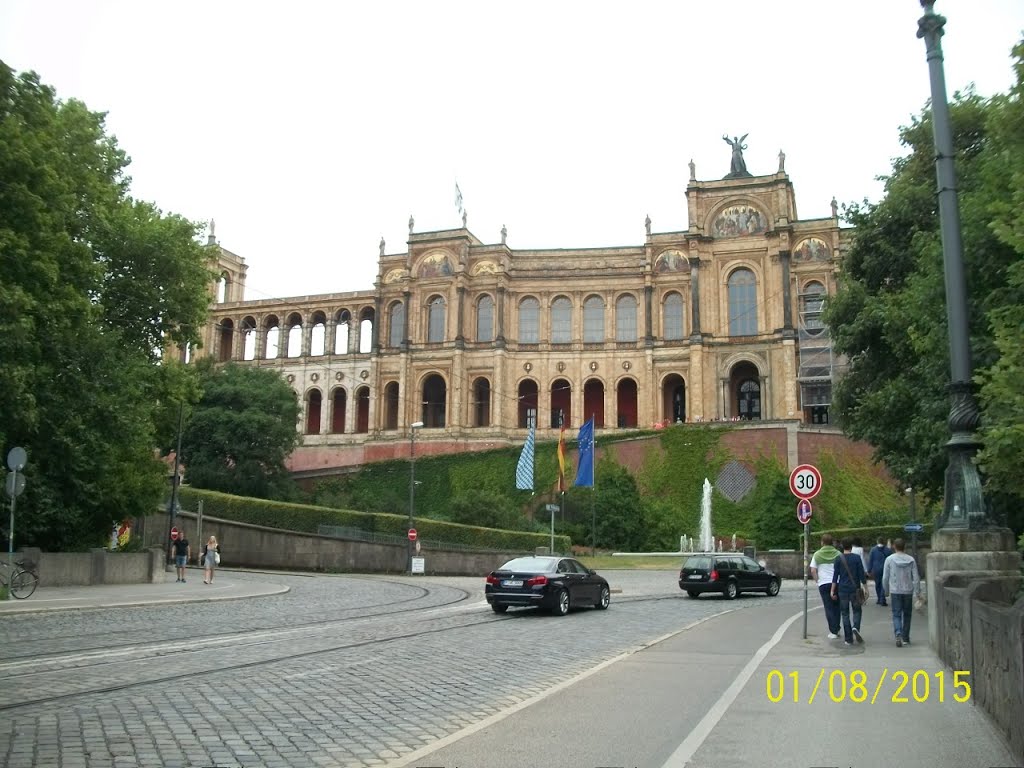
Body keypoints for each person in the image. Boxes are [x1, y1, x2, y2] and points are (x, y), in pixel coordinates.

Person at [882, 538, 921, 647]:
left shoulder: (889, 559)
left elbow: (885, 577)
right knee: (907, 615)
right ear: (905, 546)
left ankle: (898, 632)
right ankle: (905, 638)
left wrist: (886, 591)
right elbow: (916, 577)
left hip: (895, 590)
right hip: (908, 590)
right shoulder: (911, 560)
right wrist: (917, 591)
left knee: (896, 614)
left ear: (894, 546)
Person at [831, 539, 868, 645]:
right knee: (857, 610)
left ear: (842, 547)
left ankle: (848, 639)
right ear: (851, 547)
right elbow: (862, 575)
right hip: (855, 589)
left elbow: (835, 577)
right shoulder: (856, 558)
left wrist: (832, 590)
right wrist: (866, 588)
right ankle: (855, 627)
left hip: (842, 590)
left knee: (845, 613)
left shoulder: (838, 559)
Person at [809, 534, 842, 639]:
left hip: (823, 583)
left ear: (822, 542)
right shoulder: (838, 554)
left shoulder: (817, 554)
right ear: (832, 542)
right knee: (837, 606)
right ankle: (836, 627)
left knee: (828, 607)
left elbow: (813, 570)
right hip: (836, 582)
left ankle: (833, 631)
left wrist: (817, 580)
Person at [866, 537, 893, 605]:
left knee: (877, 584)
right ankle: (882, 599)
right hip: (885, 569)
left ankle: (879, 598)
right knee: (883, 583)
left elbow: (870, 560)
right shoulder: (888, 550)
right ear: (883, 542)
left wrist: (869, 570)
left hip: (876, 569)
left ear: (877, 541)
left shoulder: (873, 550)